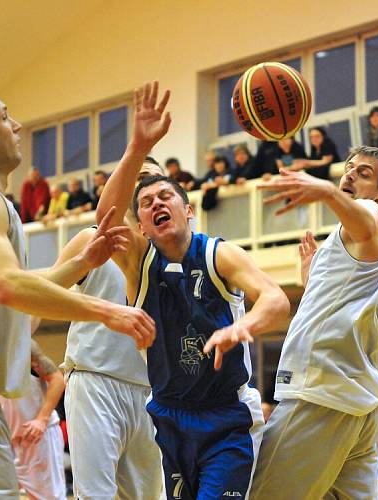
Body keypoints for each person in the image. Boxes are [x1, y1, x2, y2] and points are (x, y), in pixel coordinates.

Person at [0, 90, 155, 498]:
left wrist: (81, 265)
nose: (17, 126)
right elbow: (8, 287)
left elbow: (17, 285)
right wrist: (107, 312)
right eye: (6, 117)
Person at [97, 81, 290, 499]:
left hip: (226, 417)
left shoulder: (220, 255)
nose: (155, 204)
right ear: (142, 226)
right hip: (170, 416)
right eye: (146, 203)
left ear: (188, 210)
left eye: (165, 195)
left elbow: (275, 299)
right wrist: (136, 147)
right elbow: (106, 220)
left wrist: (244, 327)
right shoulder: (137, 262)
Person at [250, 145, 378, 499]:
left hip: (321, 396)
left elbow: (366, 223)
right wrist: (313, 281)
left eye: (364, 173)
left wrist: (324, 190)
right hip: (359, 404)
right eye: (348, 168)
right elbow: (352, 304)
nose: (350, 174)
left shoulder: (372, 216)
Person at [59, 157, 165, 500]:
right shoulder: (91, 238)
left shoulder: (172, 253)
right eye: (140, 177)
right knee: (95, 495)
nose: (147, 185)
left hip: (150, 389)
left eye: (157, 180)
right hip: (95, 377)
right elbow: (47, 295)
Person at [0, 341, 67, 500]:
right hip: (5, 438)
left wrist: (42, 419)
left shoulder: (22, 343)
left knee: (49, 498)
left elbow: (57, 379)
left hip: (37, 435)